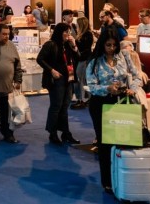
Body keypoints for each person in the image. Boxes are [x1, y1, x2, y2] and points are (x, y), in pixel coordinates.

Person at [85, 29, 143, 194]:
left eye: (114, 45)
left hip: (122, 102)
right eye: (108, 45)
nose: (111, 48)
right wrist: (107, 88)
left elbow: (137, 76)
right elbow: (92, 87)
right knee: (105, 144)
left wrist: (132, 88)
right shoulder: (95, 62)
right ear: (102, 45)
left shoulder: (124, 56)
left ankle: (124, 178)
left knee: (125, 141)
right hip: (101, 104)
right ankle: (108, 182)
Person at [37, 22, 80, 145]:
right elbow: (40, 59)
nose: (68, 34)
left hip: (69, 78)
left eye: (69, 32)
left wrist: (74, 46)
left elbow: (78, 57)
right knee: (56, 106)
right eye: (66, 32)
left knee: (65, 106)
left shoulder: (68, 45)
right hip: (56, 79)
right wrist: (51, 70)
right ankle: (53, 133)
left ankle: (65, 132)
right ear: (59, 32)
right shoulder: (51, 44)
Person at [71, 16, 94, 109]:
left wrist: (74, 42)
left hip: (85, 59)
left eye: (77, 24)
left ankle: (83, 100)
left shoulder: (87, 34)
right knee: (81, 79)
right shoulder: (85, 34)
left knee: (82, 79)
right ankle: (84, 99)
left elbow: (84, 48)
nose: (76, 25)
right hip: (83, 59)